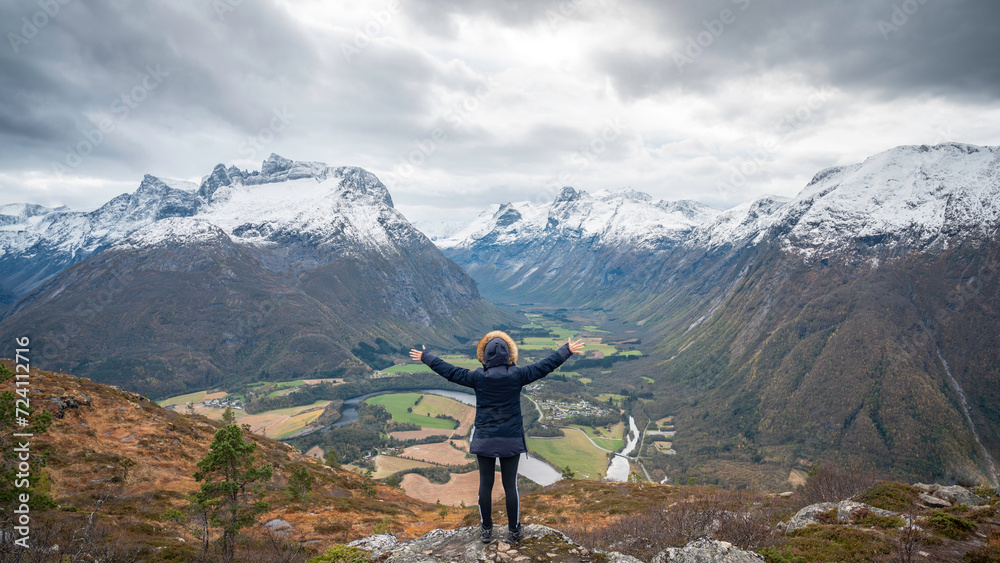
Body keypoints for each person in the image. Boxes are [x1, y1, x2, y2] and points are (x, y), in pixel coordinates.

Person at [409, 331, 585, 543]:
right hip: (511, 439)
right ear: (509, 355)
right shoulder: (518, 375)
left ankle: (486, 530)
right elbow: (545, 365)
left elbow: (450, 371)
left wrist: (426, 357)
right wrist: (566, 350)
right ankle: (514, 530)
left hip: (485, 439)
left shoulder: (477, 378)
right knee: (510, 485)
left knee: (486, 484)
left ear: (486, 356)